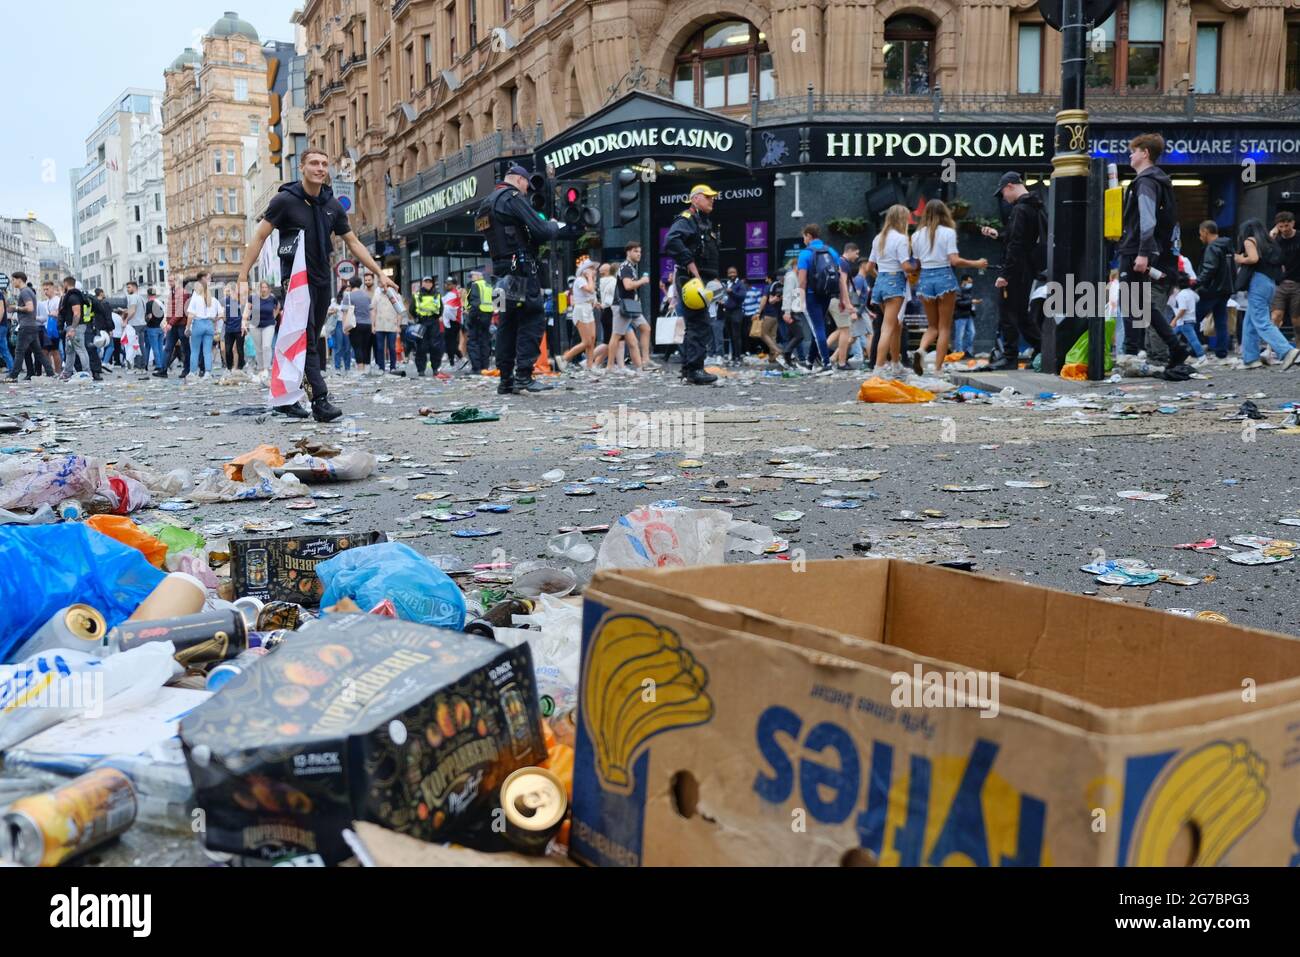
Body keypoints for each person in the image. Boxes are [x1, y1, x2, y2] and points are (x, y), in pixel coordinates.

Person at [238, 147, 396, 421]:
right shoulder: (285, 201)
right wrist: (242, 276)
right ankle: (320, 401)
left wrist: (379, 272)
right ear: (302, 167)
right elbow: (260, 237)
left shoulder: (332, 205)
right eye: (314, 163)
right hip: (296, 281)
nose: (320, 168)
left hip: (323, 280)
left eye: (324, 163)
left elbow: (353, 242)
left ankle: (285, 397)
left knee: (303, 338)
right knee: (308, 338)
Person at [477, 163, 580, 394]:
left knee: (507, 323)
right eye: (526, 185)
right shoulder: (512, 197)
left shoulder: (486, 203)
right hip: (521, 268)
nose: (526, 191)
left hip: (499, 271)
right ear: (519, 179)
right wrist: (553, 225)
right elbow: (541, 230)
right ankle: (523, 375)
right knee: (532, 318)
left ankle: (506, 380)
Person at [1114, 134, 1192, 377]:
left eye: (1134, 151)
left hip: (1136, 249)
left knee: (1130, 303)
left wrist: (1143, 253)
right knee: (1142, 305)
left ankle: (1130, 353)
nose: (1130, 155)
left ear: (1145, 153)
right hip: (1144, 248)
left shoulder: (1146, 182)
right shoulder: (1159, 181)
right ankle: (1176, 347)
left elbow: (1148, 220)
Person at [911, 200, 988, 376]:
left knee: (932, 327)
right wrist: (976, 263)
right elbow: (954, 261)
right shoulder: (948, 232)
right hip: (944, 277)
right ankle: (938, 369)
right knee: (944, 327)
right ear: (944, 213)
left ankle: (921, 349)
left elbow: (916, 264)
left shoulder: (916, 236)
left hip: (925, 279)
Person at [983, 172, 1046, 369]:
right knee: (1020, 314)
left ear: (1010, 186)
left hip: (1016, 270)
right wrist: (999, 235)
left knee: (1008, 312)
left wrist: (1005, 274)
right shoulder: (1035, 206)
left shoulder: (1020, 209)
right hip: (1027, 267)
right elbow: (1021, 240)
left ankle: (1009, 357)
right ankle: (1043, 347)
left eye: (1003, 193)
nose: (1004, 198)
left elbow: (1016, 244)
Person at [664, 184, 722, 385]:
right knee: (700, 323)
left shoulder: (702, 221)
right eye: (707, 197)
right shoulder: (687, 219)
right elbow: (671, 240)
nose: (712, 200)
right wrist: (691, 265)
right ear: (695, 199)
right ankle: (695, 370)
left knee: (696, 324)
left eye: (712, 197)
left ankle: (689, 369)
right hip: (691, 280)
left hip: (700, 280)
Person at [1234, 218, 1298, 370]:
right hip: (1270, 283)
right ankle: (1250, 359)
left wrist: (1239, 258)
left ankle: (1287, 350)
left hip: (1257, 282)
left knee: (1262, 322)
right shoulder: (1269, 242)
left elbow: (1253, 258)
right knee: (1250, 322)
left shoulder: (1250, 240)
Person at [795, 224, 851, 372]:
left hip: (811, 295)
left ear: (808, 235)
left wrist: (799, 301)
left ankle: (826, 364)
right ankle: (809, 362)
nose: (804, 240)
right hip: (827, 294)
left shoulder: (805, 253)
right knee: (817, 327)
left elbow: (802, 281)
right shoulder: (831, 251)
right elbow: (840, 278)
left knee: (818, 328)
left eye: (804, 237)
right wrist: (843, 299)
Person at [867, 204, 913, 376]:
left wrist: (882, 276)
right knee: (888, 327)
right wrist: (918, 267)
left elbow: (870, 266)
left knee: (895, 325)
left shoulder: (878, 238)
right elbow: (906, 266)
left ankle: (895, 364)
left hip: (881, 282)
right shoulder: (901, 238)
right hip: (895, 282)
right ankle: (878, 369)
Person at [609, 241, 652, 372]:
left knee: (645, 328)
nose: (639, 254)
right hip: (623, 306)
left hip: (630, 306)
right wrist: (642, 281)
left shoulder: (631, 267)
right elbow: (628, 285)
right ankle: (610, 366)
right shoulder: (626, 267)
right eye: (635, 251)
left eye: (640, 251)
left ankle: (645, 361)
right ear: (628, 252)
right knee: (616, 336)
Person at [1196, 220, 1235, 360]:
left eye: (1201, 234)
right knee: (1221, 320)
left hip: (1211, 290)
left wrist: (1197, 283)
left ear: (1205, 232)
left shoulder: (1212, 248)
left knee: (1193, 318)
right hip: (1225, 289)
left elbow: (1209, 268)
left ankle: (1192, 347)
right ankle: (1221, 351)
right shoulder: (1228, 246)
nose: (1200, 238)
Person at [7, 273, 53, 381]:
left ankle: (13, 375)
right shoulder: (29, 291)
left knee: (19, 351)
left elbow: (30, 308)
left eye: (13, 280)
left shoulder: (25, 292)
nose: (12, 282)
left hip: (26, 326)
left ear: (19, 280)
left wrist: (16, 308)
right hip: (32, 325)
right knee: (38, 353)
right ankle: (50, 372)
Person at [561, 259, 599, 373]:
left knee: (592, 339)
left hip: (588, 309)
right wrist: (591, 278)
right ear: (585, 270)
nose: (593, 271)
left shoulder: (587, 280)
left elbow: (592, 295)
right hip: (580, 309)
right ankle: (565, 358)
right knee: (586, 341)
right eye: (591, 268)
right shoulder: (580, 280)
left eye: (593, 268)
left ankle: (589, 365)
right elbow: (590, 290)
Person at [59, 277, 100, 380]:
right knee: (70, 350)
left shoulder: (73, 297)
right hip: (72, 326)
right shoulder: (74, 296)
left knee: (80, 349)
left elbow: (77, 314)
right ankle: (67, 372)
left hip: (75, 327)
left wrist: (72, 328)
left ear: (66, 284)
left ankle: (87, 372)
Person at [1270, 211, 1300, 339]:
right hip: (1280, 283)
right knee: (1276, 316)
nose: (1284, 229)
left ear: (1293, 223)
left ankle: (1299, 349)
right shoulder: (1276, 239)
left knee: (1296, 320)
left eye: (1287, 225)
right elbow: (1265, 252)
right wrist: (1271, 236)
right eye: (1280, 226)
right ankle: (1271, 348)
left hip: (1298, 283)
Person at [185, 274, 220, 380]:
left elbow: (190, 315)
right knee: (207, 351)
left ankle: (192, 372)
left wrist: (187, 327)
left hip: (198, 324)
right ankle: (208, 373)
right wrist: (214, 320)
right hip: (209, 325)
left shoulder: (195, 299)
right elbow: (222, 314)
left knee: (195, 351)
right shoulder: (213, 300)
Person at [368, 271, 401, 374]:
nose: (382, 285)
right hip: (379, 325)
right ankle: (381, 368)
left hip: (392, 326)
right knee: (380, 348)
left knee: (392, 347)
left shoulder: (395, 295)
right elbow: (373, 311)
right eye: (380, 284)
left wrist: (398, 325)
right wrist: (372, 325)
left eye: (383, 283)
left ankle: (393, 367)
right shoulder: (377, 295)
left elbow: (399, 311)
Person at [157, 275, 189, 378]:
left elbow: (180, 311)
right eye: (169, 281)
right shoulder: (172, 292)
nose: (169, 283)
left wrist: (170, 323)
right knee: (168, 348)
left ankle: (186, 370)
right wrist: (167, 321)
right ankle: (163, 370)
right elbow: (170, 309)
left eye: (172, 281)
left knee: (185, 348)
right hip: (173, 324)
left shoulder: (183, 293)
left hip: (181, 324)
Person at [411, 276, 444, 376]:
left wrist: (435, 316)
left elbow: (441, 309)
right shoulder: (417, 295)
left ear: (432, 284)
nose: (428, 284)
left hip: (433, 322)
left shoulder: (437, 295)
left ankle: (435, 368)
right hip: (422, 322)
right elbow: (412, 309)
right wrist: (417, 317)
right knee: (421, 347)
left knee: (435, 346)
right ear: (422, 283)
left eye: (430, 282)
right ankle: (421, 370)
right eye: (426, 282)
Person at [464, 269, 495, 374]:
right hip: (487, 316)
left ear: (478, 276)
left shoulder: (475, 285)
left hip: (477, 315)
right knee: (485, 342)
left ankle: (476, 368)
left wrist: (471, 316)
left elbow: (475, 303)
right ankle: (484, 367)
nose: (471, 278)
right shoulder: (488, 286)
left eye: (472, 276)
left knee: (473, 342)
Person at [1169, 273, 1205, 362]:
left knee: (1193, 340)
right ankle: (1172, 355)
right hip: (1190, 319)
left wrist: (1174, 320)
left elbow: (1182, 310)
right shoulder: (1191, 293)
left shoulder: (1181, 295)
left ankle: (1202, 358)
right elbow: (1198, 299)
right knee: (1170, 336)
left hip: (1184, 321)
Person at [248, 281, 280, 373]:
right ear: (259, 288)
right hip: (255, 325)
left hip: (269, 324)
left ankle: (266, 367)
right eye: (262, 287)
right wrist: (245, 320)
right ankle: (261, 368)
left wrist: (274, 316)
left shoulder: (272, 298)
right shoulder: (253, 298)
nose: (264, 289)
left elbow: (278, 306)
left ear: (268, 289)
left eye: (265, 287)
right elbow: (247, 309)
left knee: (266, 346)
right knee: (258, 348)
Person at [719, 266, 748, 364]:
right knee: (731, 335)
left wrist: (732, 293)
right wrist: (723, 302)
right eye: (730, 273)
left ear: (737, 273)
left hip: (736, 312)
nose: (731, 275)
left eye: (733, 273)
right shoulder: (727, 284)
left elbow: (742, 297)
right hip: (727, 312)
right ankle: (733, 356)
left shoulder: (740, 284)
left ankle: (738, 357)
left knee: (736, 336)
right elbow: (725, 297)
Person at [346, 275, 373, 374]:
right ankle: (367, 369)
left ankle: (360, 370)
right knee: (366, 347)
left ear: (350, 284)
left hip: (355, 324)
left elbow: (345, 312)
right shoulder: (366, 296)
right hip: (367, 324)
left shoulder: (348, 296)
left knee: (357, 347)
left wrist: (345, 328)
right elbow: (371, 311)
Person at [118, 281, 146, 373]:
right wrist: (125, 310)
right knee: (141, 345)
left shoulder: (133, 297)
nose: (127, 289)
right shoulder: (141, 298)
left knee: (135, 346)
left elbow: (133, 311)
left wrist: (126, 320)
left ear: (134, 288)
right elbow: (135, 309)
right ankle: (142, 367)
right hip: (141, 323)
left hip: (135, 324)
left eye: (129, 287)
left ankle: (138, 367)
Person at [221, 283, 246, 371]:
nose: (233, 292)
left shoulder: (241, 301)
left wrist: (245, 325)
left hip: (239, 329)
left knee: (239, 349)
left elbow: (246, 314)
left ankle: (240, 367)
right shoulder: (225, 301)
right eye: (232, 290)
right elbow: (223, 313)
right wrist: (223, 318)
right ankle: (229, 368)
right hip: (229, 329)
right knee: (228, 350)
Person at [952, 274, 978, 358]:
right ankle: (959, 352)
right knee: (960, 335)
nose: (971, 283)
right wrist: (971, 302)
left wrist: (972, 308)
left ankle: (967, 351)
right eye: (969, 281)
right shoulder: (958, 290)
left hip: (968, 315)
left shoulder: (969, 291)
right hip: (960, 316)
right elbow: (958, 303)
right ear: (964, 281)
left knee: (972, 333)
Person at [142, 287, 165, 373]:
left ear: (148, 295)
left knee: (151, 347)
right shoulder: (160, 303)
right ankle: (162, 365)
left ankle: (156, 365)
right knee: (160, 348)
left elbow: (149, 316)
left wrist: (145, 320)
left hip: (151, 328)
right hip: (160, 327)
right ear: (155, 295)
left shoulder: (149, 304)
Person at [441, 278, 463, 368]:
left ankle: (455, 360)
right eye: (446, 284)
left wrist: (447, 320)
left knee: (450, 342)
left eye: (449, 284)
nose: (446, 285)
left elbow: (447, 308)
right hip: (454, 321)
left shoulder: (452, 294)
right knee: (451, 342)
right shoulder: (452, 294)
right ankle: (457, 359)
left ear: (454, 285)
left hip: (452, 322)